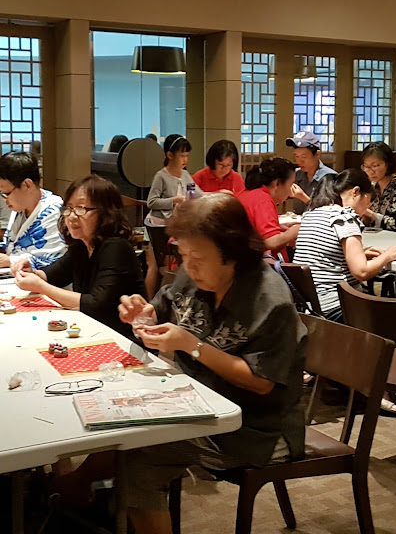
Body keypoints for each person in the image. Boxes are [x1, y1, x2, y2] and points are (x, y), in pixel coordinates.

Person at [57, 194, 307, 534]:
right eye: (184, 255)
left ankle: (75, 488)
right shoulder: (195, 275)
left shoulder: (269, 298)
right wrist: (142, 314)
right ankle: (77, 489)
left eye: (198, 257)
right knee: (119, 422)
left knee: (137, 454)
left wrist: (192, 345)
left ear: (232, 251)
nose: (190, 267)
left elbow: (261, 382)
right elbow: (161, 311)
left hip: (253, 428)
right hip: (198, 401)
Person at [12, 174, 146, 336]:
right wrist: (30, 272)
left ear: (106, 213)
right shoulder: (81, 245)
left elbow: (96, 305)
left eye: (81, 208)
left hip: (124, 337)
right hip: (94, 330)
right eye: (69, 208)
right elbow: (52, 276)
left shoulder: (116, 247)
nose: (72, 216)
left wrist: (40, 286)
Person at [294, 171, 396, 323]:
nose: (369, 206)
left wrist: (359, 254)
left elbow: (324, 256)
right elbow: (362, 272)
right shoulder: (345, 218)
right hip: (337, 307)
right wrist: (387, 256)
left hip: (309, 307)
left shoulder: (311, 214)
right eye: (368, 200)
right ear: (356, 192)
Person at [0, 152, 66, 269]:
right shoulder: (20, 208)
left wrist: (9, 260)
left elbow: (53, 258)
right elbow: (10, 245)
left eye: (6, 194)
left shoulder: (54, 211)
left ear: (27, 185)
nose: (4, 199)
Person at [238, 157, 298, 261]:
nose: (290, 192)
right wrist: (295, 230)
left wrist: (278, 228)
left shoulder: (247, 193)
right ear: (277, 184)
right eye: (290, 185)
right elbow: (272, 242)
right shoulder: (263, 200)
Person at [146, 134, 202, 226]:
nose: (185, 160)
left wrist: (216, 194)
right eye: (182, 156)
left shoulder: (185, 174)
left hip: (178, 221)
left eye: (187, 156)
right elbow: (151, 202)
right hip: (160, 223)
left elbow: (199, 194)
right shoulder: (161, 176)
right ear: (170, 155)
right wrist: (173, 200)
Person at [360, 141, 396, 232]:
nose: (370, 172)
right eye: (366, 166)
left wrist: (370, 214)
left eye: (375, 166)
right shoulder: (372, 186)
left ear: (387, 164)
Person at [285, 131, 337, 215]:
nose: (299, 161)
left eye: (304, 157)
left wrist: (303, 197)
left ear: (317, 154)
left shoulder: (329, 176)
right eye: (296, 156)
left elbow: (329, 211)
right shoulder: (296, 174)